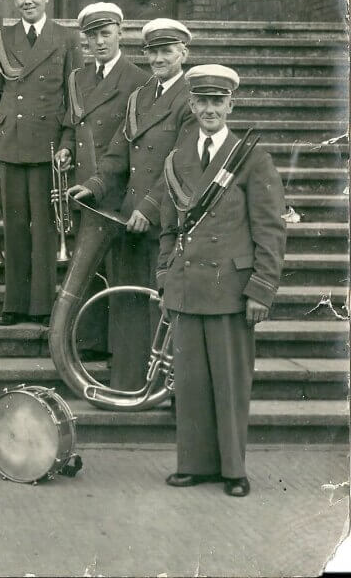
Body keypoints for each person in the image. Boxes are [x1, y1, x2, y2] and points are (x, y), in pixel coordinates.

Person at [156, 65, 286, 498]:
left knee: (230, 382)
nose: (209, 109)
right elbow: (169, 227)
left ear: (231, 105)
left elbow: (270, 230)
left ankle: (233, 469)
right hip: (188, 286)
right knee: (191, 381)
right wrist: (163, 276)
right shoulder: (177, 159)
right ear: (191, 106)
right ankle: (193, 464)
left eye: (218, 101)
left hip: (231, 288)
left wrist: (262, 289)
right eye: (202, 102)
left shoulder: (252, 157)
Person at [69, 19, 195, 387]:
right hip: (127, 217)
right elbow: (118, 152)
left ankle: (160, 387)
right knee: (126, 301)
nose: (158, 58)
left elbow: (181, 163)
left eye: (166, 51)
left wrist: (149, 209)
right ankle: (127, 382)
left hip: (164, 219)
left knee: (160, 305)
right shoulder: (140, 96)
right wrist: (93, 185)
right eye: (153, 52)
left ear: (183, 53)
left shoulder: (190, 99)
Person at [0, 0, 80, 324]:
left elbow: (74, 99)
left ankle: (42, 305)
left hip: (48, 145)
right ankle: (15, 304)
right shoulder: (1, 40)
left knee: (45, 226)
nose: (27, 1)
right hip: (10, 143)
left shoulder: (66, 39)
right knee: (15, 225)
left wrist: (69, 142)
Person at [56, 2, 148, 358]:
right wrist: (65, 148)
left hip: (115, 186)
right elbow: (70, 124)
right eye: (91, 35)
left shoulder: (138, 79)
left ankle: (117, 345)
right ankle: (90, 341)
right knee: (87, 268)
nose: (98, 42)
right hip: (83, 183)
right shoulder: (78, 77)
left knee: (117, 268)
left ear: (120, 33)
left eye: (105, 33)